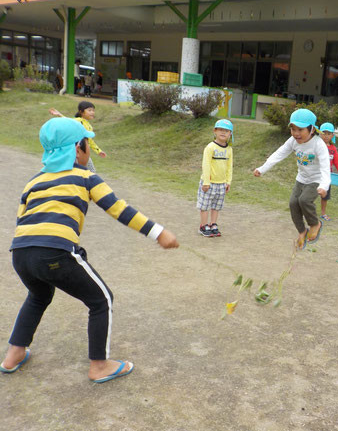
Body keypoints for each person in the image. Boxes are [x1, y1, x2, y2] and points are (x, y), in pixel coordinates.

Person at [0, 117, 179, 383]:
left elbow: (22, 219)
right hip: (55, 251)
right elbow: (119, 209)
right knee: (101, 300)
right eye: (87, 143)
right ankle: (100, 366)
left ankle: (13, 355)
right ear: (77, 149)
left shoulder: (33, 181)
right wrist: (158, 232)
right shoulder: (86, 177)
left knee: (38, 296)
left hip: (21, 252)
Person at [253, 109, 330, 250]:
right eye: (293, 129)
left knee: (304, 200)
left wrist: (324, 186)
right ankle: (302, 231)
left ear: (312, 129)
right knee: (293, 203)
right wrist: (262, 169)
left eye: (300, 129)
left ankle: (315, 224)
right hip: (301, 179)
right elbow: (278, 154)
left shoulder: (319, 145)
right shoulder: (293, 141)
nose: (296, 133)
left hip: (316, 180)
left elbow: (326, 167)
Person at [198, 119, 234, 237]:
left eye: (226, 131)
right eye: (221, 130)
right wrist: (206, 182)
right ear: (215, 131)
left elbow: (229, 166)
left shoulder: (229, 150)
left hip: (221, 183)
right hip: (209, 183)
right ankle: (203, 226)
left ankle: (213, 224)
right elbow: (206, 164)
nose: (223, 133)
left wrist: (228, 182)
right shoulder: (210, 147)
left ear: (230, 134)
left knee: (216, 206)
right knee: (205, 205)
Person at [49, 101, 107, 173]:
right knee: (88, 171)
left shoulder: (89, 126)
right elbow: (68, 121)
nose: (92, 112)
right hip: (76, 151)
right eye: (89, 110)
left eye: (93, 110)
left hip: (84, 151)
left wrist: (99, 151)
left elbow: (90, 141)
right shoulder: (79, 121)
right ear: (81, 112)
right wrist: (59, 114)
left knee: (89, 171)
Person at [318, 122, 338, 221]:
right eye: (324, 133)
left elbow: (337, 162)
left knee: (325, 196)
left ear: (332, 135)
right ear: (319, 133)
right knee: (310, 194)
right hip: (315, 175)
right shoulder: (317, 145)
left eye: (329, 134)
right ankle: (307, 211)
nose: (326, 136)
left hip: (326, 177)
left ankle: (323, 213)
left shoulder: (333, 149)